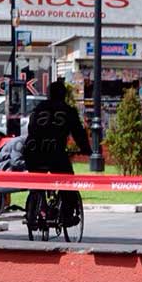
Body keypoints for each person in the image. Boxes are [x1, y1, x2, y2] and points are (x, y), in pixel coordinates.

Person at [22, 80, 92, 225]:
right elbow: (78, 133)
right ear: (64, 95)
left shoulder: (39, 108)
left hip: (32, 151)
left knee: (37, 181)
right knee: (67, 181)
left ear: (49, 94)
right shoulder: (68, 111)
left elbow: (31, 128)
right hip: (54, 152)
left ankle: (36, 205)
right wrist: (86, 149)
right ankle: (67, 215)